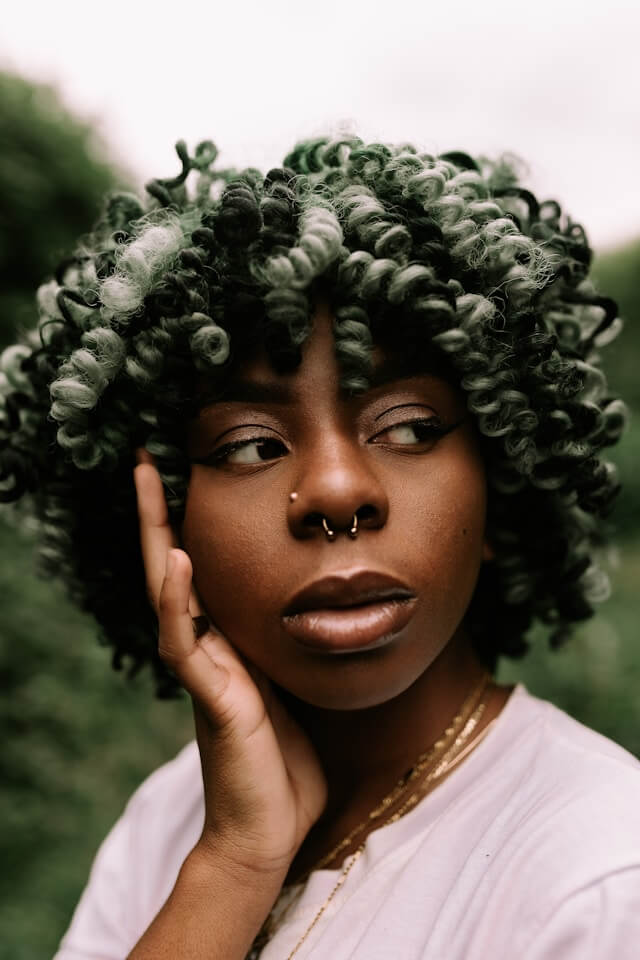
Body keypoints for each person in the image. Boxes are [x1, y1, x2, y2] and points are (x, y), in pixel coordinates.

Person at [1, 136, 638, 959]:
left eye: (409, 427)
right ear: (161, 517)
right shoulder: (168, 826)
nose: (338, 493)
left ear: (503, 481)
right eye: (251, 445)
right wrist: (233, 863)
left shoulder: (603, 881)